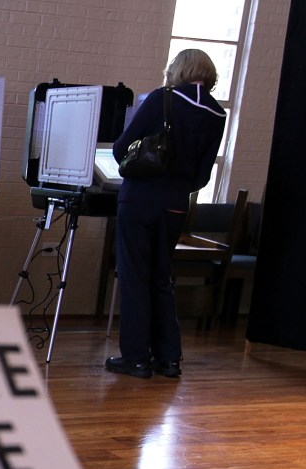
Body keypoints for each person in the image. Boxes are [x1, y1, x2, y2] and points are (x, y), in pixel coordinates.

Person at [107, 49, 226, 378]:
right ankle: (168, 358)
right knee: (161, 279)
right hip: (175, 206)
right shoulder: (217, 113)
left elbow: (121, 148)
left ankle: (135, 358)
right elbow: (201, 177)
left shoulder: (163, 98)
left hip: (139, 200)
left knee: (133, 278)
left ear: (179, 70)